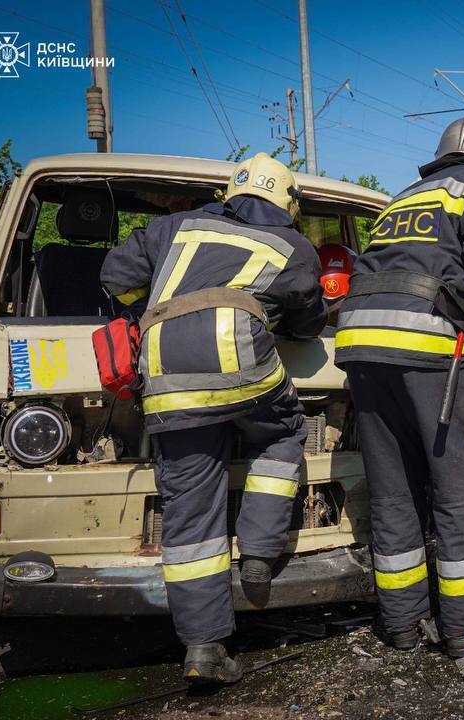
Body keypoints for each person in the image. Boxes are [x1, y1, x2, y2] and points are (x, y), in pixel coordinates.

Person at [100, 153, 328, 685]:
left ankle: (204, 649)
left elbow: (117, 278)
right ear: (287, 204)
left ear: (232, 193)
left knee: (190, 512)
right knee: (284, 434)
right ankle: (260, 554)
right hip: (244, 370)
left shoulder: (171, 227)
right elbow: (309, 319)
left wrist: (150, 303)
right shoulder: (293, 245)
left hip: (165, 375)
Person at [332, 113, 464, 681]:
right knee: (460, 492)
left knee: (394, 493)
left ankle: (403, 628)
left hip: (361, 349)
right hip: (431, 350)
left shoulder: (406, 195)